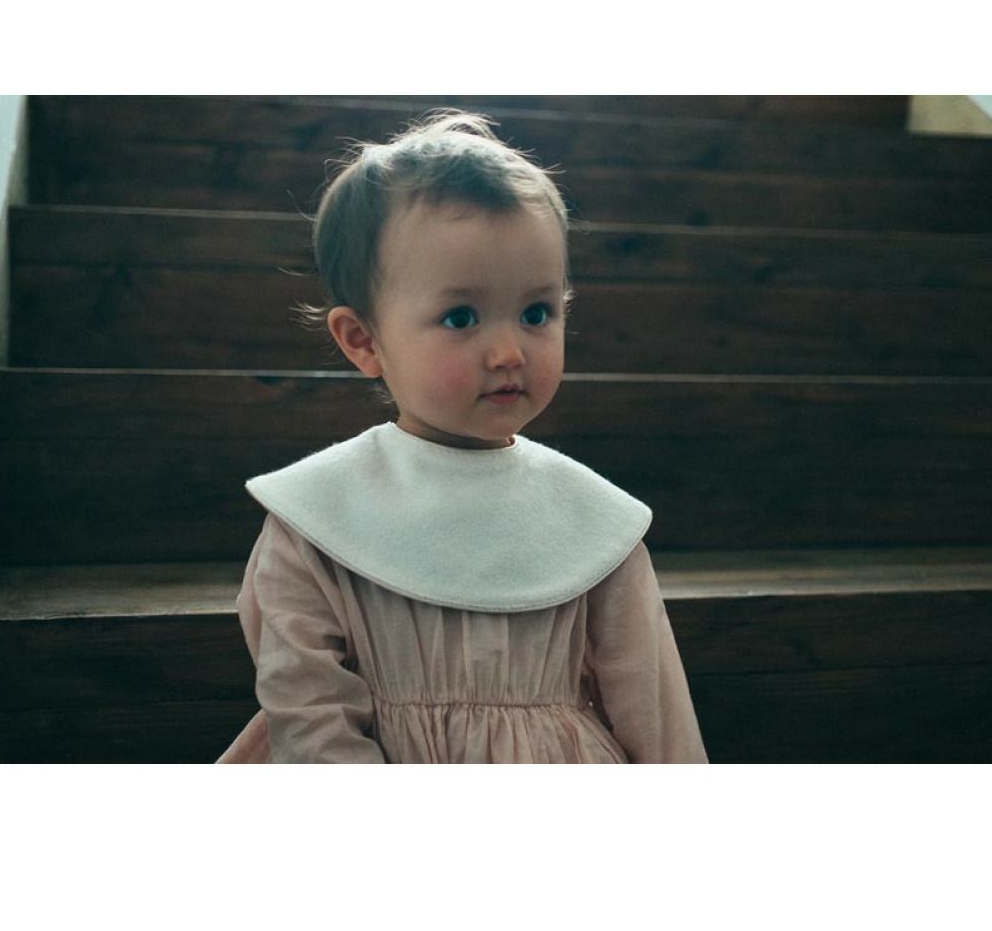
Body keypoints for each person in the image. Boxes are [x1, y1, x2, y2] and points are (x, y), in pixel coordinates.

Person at [218, 110, 707, 764]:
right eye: (460, 317)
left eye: (537, 312)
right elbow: (308, 712)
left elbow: (657, 713)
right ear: (363, 341)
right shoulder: (317, 516)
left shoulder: (594, 523)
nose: (508, 352)